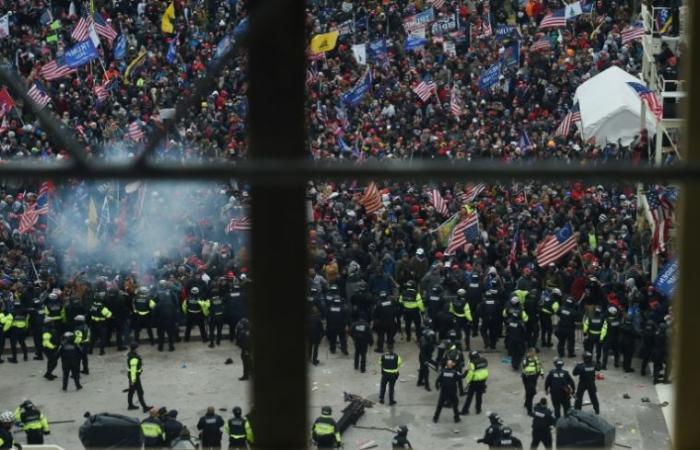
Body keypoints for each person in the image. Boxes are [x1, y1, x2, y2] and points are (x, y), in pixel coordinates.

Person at [153, 282, 178, 352]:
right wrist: (176, 321)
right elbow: (175, 312)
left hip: (160, 321)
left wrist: (155, 321)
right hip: (170, 320)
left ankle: (160, 347)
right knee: (170, 335)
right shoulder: (171, 304)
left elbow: (154, 314)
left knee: (161, 335)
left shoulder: (157, 305)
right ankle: (171, 347)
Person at [462, 351, 489, 415]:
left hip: (474, 382)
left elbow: (470, 374)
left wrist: (468, 381)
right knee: (479, 396)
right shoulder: (484, 360)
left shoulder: (472, 363)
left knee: (469, 397)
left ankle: (465, 410)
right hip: (483, 380)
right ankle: (478, 409)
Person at [127, 343, 152, 412]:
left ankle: (130, 405)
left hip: (132, 376)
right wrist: (133, 380)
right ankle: (145, 407)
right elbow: (133, 370)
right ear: (135, 349)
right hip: (134, 377)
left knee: (131, 391)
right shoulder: (134, 358)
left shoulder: (131, 354)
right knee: (140, 392)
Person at [521, 348, 543, 416]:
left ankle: (527, 403)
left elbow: (539, 366)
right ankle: (529, 410)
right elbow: (525, 369)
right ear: (529, 353)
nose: (534, 354)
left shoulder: (536, 358)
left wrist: (541, 373)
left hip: (534, 377)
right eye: (533, 353)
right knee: (530, 393)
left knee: (530, 392)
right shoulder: (525, 359)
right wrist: (534, 371)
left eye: (535, 353)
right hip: (528, 378)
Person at [602, 306, 621, 370]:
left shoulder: (606, 321)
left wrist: (601, 339)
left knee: (605, 351)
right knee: (616, 352)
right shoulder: (618, 320)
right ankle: (616, 364)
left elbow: (604, 331)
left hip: (608, 338)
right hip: (616, 339)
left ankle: (604, 366)